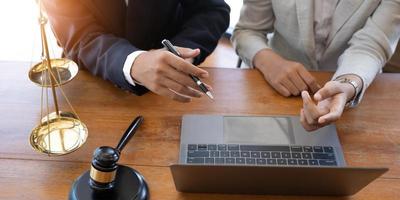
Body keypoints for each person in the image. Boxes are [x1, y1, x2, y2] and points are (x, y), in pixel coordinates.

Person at [232, 0, 400, 131]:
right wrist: (269, 62)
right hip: (275, 90)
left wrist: (348, 84)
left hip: (355, 94)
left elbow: (372, 44)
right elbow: (247, 30)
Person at [42, 0, 230, 102]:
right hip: (92, 84)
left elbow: (212, 10)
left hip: (169, 92)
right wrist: (132, 62)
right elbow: (80, 36)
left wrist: (182, 53)